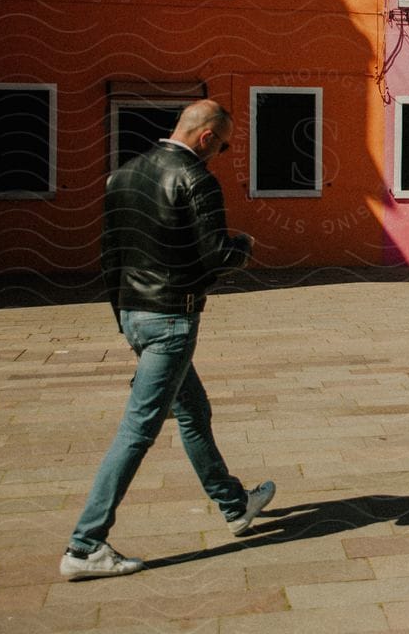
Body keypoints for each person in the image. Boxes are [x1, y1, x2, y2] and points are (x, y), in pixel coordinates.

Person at [60, 99, 275, 580]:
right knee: (138, 430)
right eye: (220, 146)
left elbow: (108, 256)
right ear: (205, 138)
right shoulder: (196, 178)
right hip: (171, 321)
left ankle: (235, 504)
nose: (219, 154)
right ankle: (84, 544)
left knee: (194, 412)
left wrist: (126, 320)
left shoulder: (123, 175)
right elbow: (215, 254)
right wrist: (245, 247)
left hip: (135, 314)